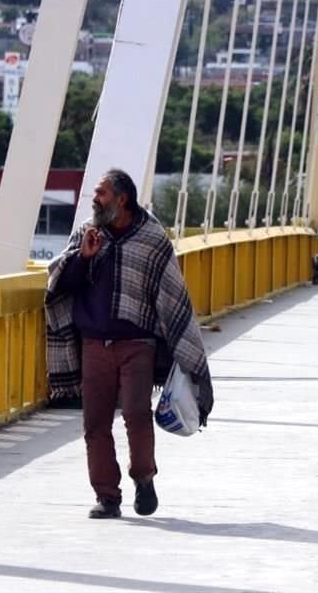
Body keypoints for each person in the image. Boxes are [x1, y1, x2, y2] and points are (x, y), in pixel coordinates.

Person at [45, 169, 214, 519]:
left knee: (137, 415)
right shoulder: (87, 234)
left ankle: (144, 478)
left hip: (137, 344)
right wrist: (84, 257)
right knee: (95, 423)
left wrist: (186, 354)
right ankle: (107, 497)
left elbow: (172, 296)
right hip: (94, 344)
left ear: (122, 199)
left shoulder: (152, 238)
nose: (96, 199)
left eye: (102, 193)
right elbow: (62, 284)